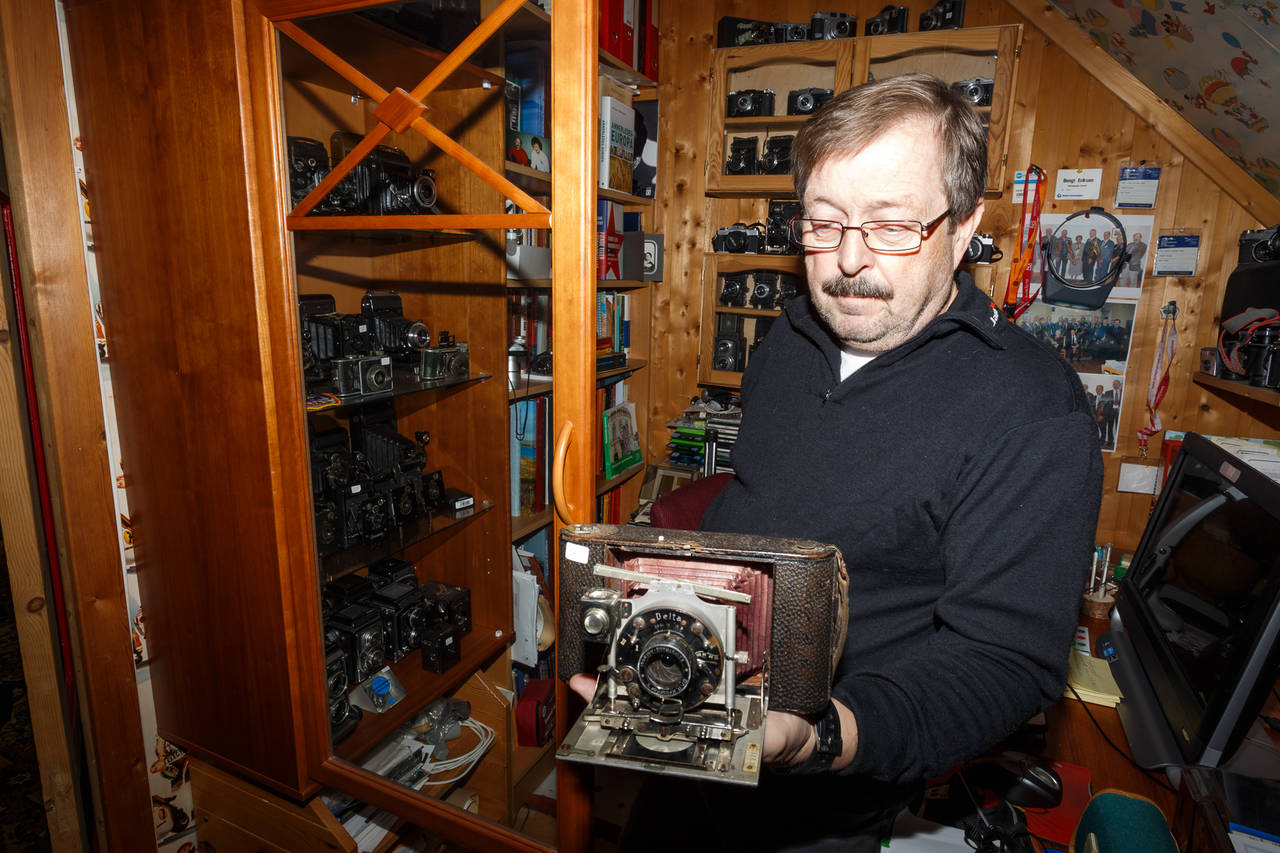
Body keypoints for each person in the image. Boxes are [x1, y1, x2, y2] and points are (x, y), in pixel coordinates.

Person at [615, 73, 1103, 851]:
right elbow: (759, 500)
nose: (846, 261)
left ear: (965, 224)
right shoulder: (792, 336)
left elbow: (1000, 661)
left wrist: (820, 735)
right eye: (824, 221)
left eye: (889, 227)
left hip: (823, 804)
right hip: (688, 744)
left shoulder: (1033, 410)